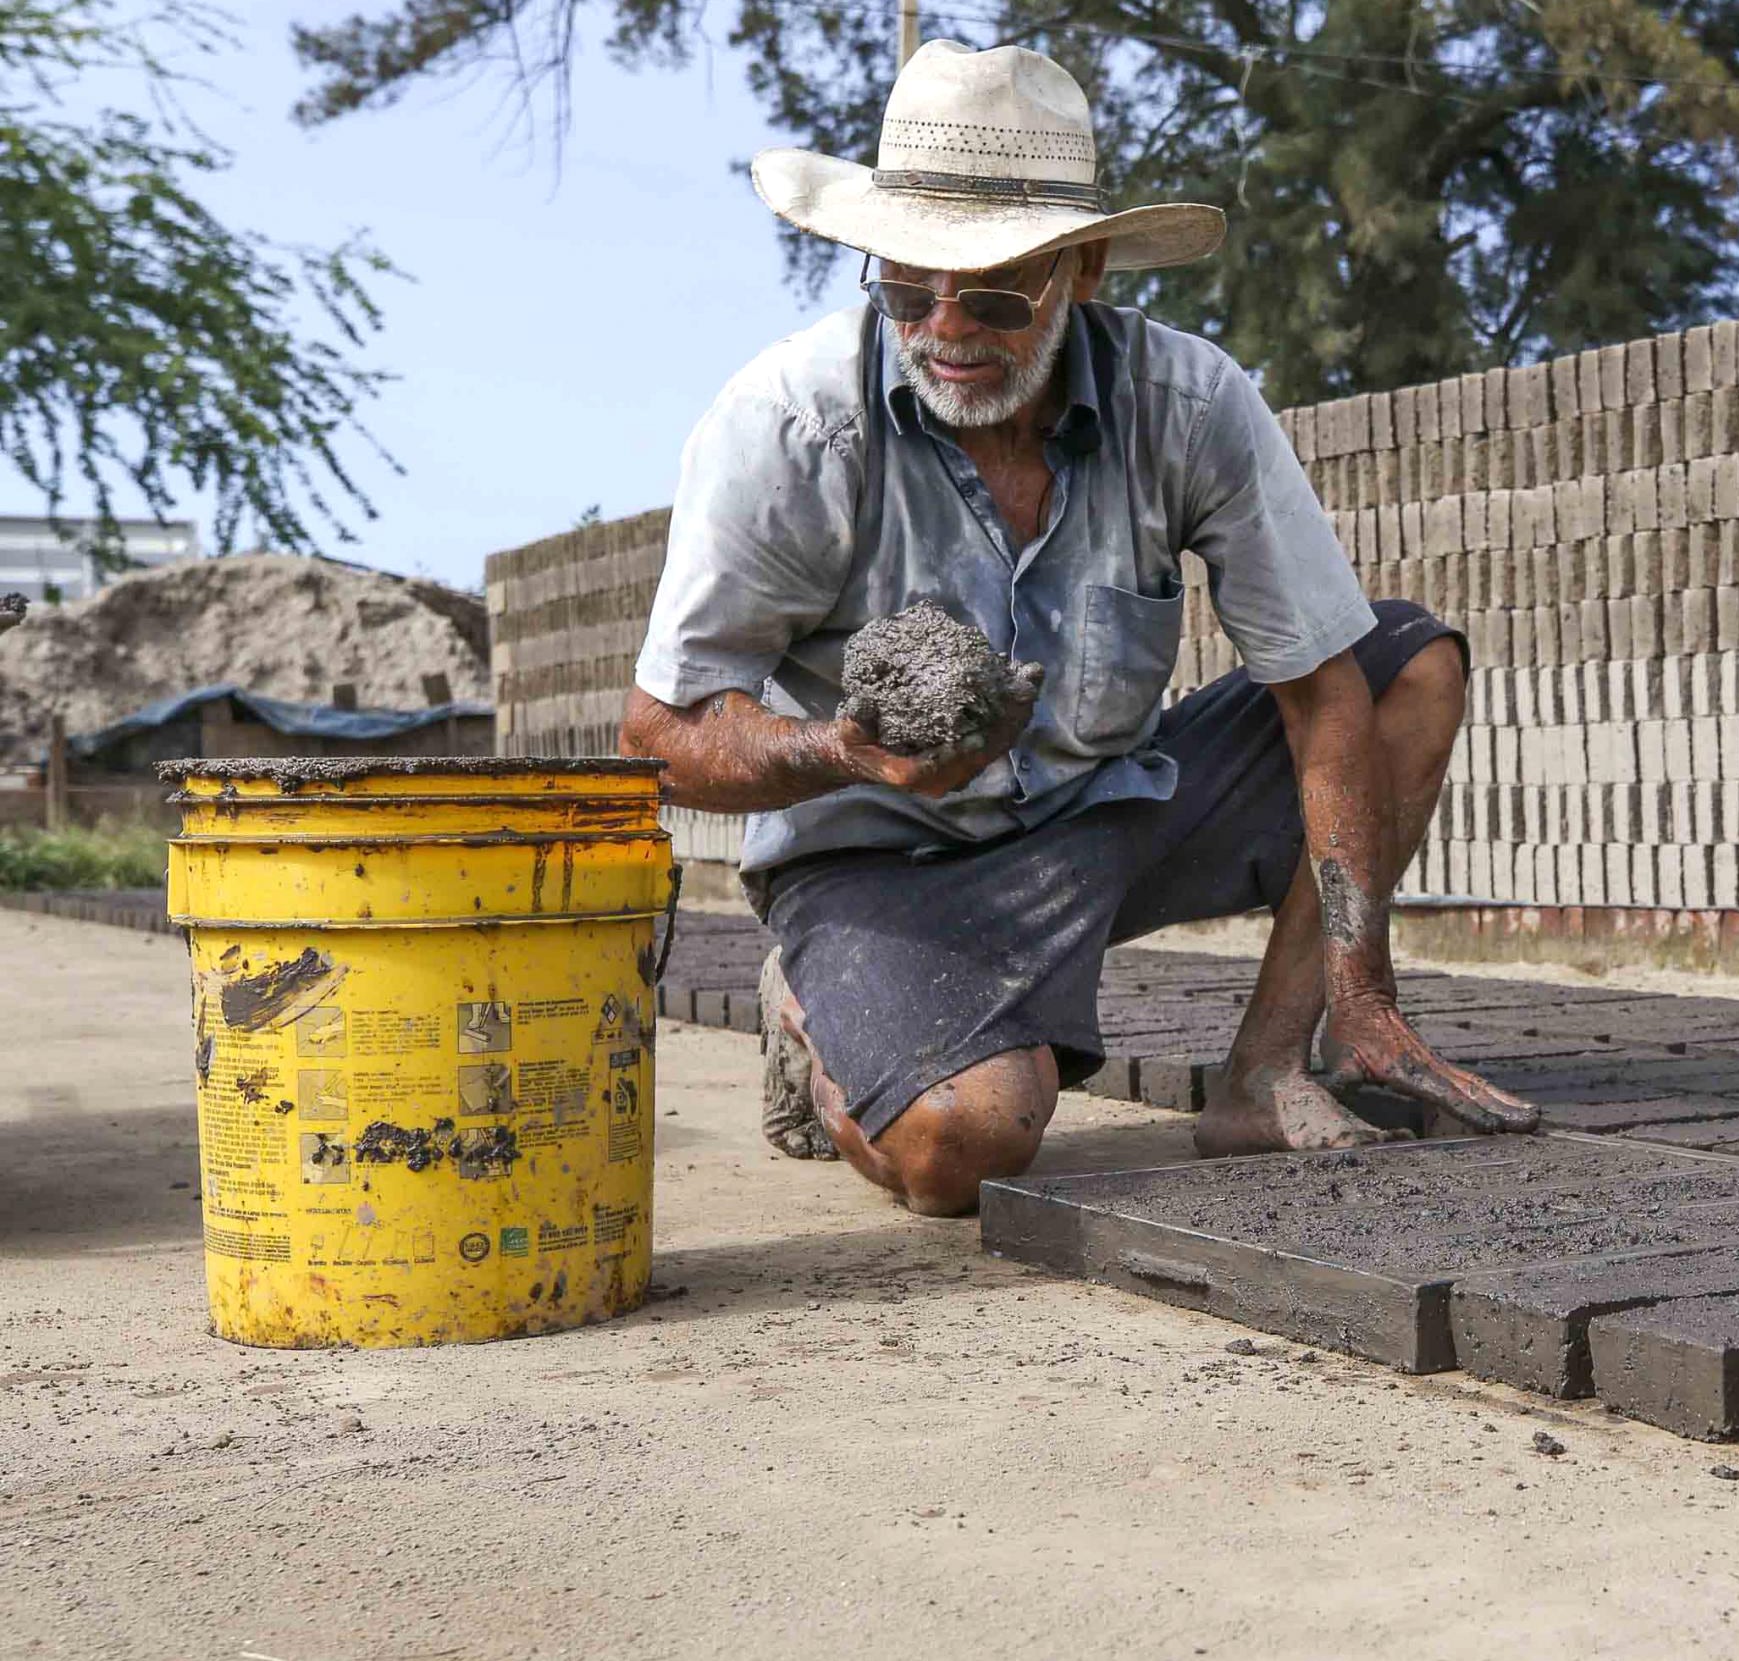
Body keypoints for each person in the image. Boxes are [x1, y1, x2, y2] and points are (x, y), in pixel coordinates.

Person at [620, 41, 1535, 1218]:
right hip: (879, 862)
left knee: (1405, 665)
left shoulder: (1189, 404)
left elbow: (1318, 689)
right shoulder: (793, 426)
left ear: (1083, 270)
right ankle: (819, 1016)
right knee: (966, 1145)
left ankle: (1261, 1075)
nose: (946, 327)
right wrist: (849, 752)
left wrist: (1362, 989)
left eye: (996, 292)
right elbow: (659, 728)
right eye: (907, 283)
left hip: (1106, 819)